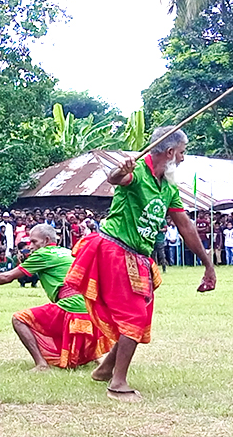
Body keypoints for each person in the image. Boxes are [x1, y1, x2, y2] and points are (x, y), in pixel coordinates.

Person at [64, 127, 216, 402]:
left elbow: (185, 226)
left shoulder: (168, 187)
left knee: (140, 312)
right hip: (115, 250)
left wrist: (208, 264)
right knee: (133, 315)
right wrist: (120, 170)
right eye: (182, 153)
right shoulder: (138, 173)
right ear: (169, 152)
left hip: (139, 256)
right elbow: (117, 179)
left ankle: (106, 368)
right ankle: (117, 384)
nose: (183, 158)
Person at [0, 224, 112, 370]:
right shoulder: (67, 252)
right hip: (93, 309)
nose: (31, 246)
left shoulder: (43, 254)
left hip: (72, 307)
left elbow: (8, 276)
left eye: (34, 242)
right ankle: (95, 358)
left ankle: (41, 364)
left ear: (46, 240)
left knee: (19, 319)